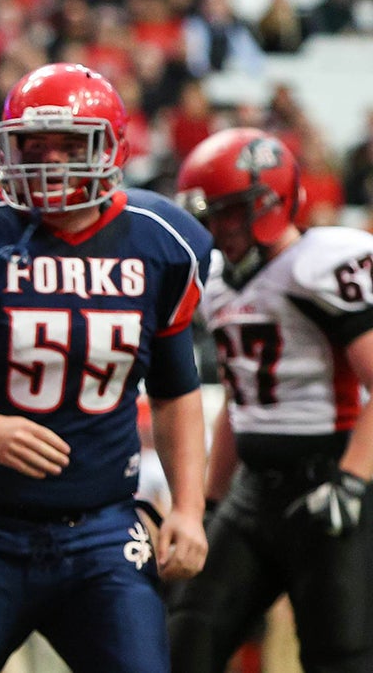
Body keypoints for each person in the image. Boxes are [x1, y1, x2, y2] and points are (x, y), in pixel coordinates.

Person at [0, 62, 211, 673]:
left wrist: (189, 509)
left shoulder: (161, 239)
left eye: (70, 145)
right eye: (33, 146)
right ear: (3, 148)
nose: (48, 162)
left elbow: (176, 391)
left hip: (102, 529)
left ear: (112, 149)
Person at [168, 127, 373, 672]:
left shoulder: (319, 264)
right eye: (211, 213)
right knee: (186, 638)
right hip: (254, 493)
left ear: (270, 201)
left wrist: (352, 479)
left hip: (328, 483)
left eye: (231, 211)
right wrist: (208, 504)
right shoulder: (217, 282)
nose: (219, 227)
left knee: (341, 656)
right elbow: (241, 404)